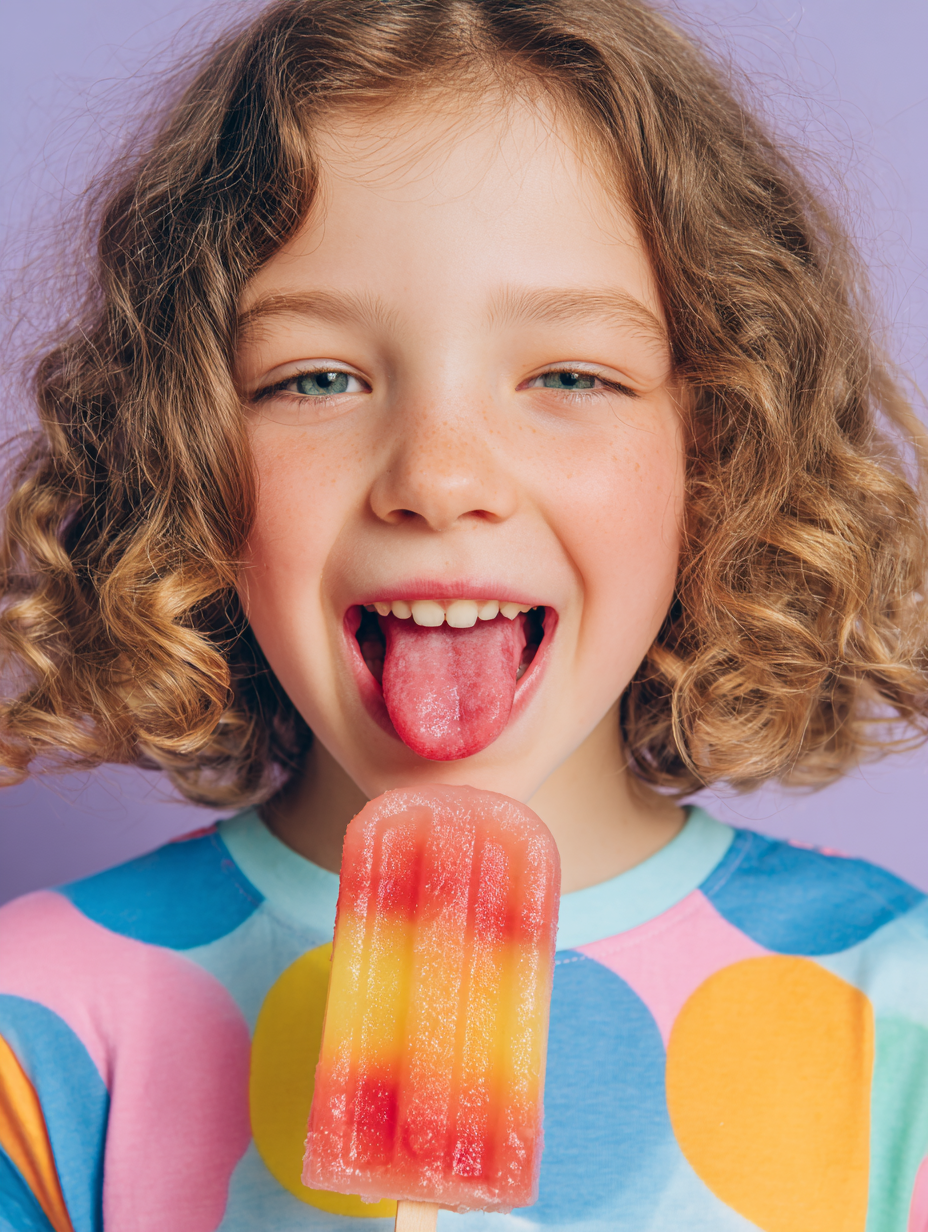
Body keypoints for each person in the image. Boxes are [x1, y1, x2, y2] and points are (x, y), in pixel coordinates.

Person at [1, 0, 927, 1227]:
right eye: (316, 378)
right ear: (186, 453)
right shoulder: (39, 1024)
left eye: (568, 375)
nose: (439, 477)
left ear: (717, 449)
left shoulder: (893, 1012)